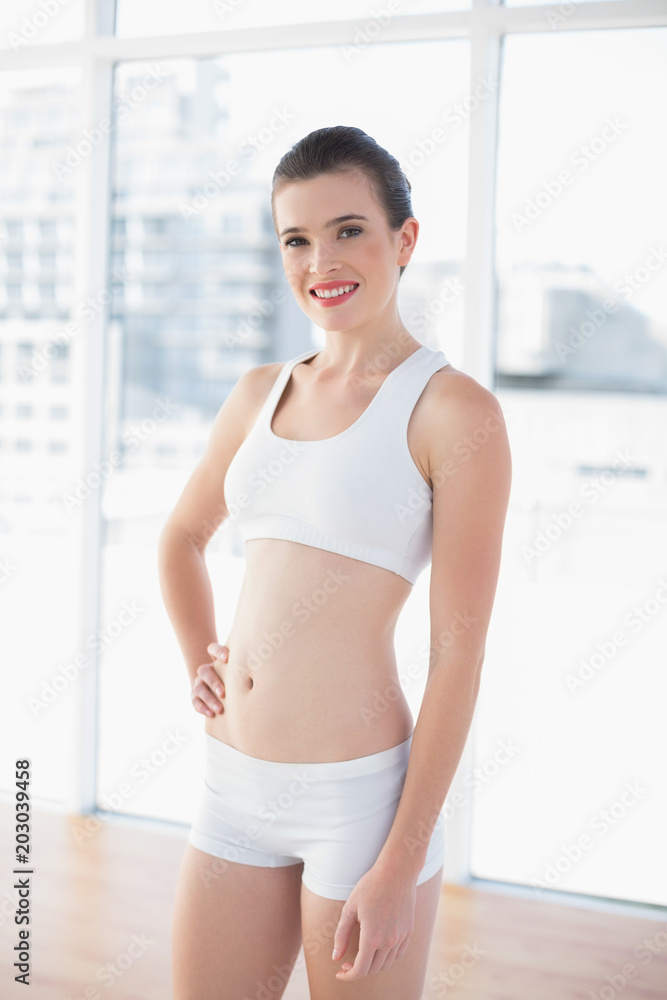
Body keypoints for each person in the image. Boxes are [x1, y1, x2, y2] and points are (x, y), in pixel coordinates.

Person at [158, 124, 512, 999]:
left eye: (348, 229)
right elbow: (180, 538)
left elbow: (458, 655)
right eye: (296, 238)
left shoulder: (452, 413)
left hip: (359, 805)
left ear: (405, 239)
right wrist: (198, 657)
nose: (322, 258)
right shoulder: (257, 392)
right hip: (232, 783)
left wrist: (400, 860)